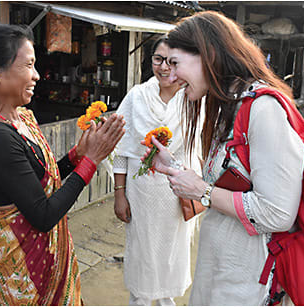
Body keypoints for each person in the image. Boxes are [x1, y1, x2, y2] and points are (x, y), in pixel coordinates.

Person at [0, 24, 125, 305]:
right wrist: (91, 161)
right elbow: (42, 215)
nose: (37, 75)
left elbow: (40, 179)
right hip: (26, 267)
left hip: (50, 256)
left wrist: (78, 154)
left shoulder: (21, 118)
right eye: (29, 65)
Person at [143, 11, 304, 305]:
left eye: (177, 63)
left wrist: (201, 191)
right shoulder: (229, 107)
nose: (172, 75)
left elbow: (279, 213)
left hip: (247, 282)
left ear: (210, 54)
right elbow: (228, 183)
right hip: (222, 270)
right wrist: (174, 168)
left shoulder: (263, 109)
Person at [112, 37, 202, 306]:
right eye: (158, 59)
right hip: (141, 194)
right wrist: (119, 194)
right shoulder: (137, 97)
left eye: (172, 61)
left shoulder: (193, 99)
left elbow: (200, 149)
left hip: (177, 194)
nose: (164, 68)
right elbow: (122, 150)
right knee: (142, 255)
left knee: (171, 256)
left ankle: (166, 302)